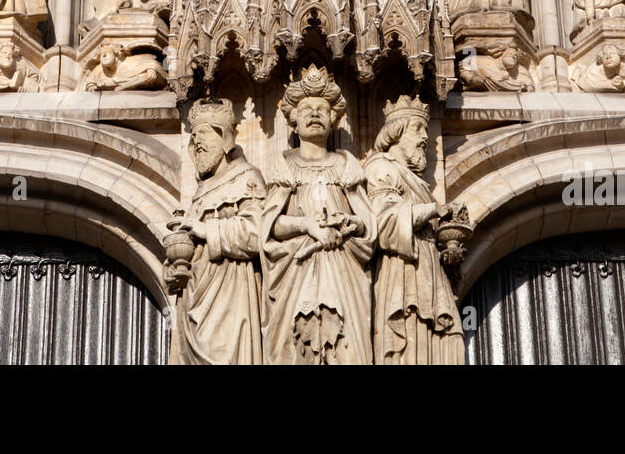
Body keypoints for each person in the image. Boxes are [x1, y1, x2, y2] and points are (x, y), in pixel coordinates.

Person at [260, 64, 375, 364]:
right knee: (298, 342)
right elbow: (272, 226)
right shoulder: (284, 166)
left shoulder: (346, 165)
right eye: (306, 109)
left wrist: (350, 223)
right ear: (293, 121)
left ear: (333, 119)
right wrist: (308, 224)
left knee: (348, 344)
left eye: (322, 110)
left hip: (342, 266)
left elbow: (366, 224)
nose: (314, 114)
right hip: (297, 268)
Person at [365, 95, 465, 364]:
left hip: (426, 264)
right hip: (402, 267)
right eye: (417, 129)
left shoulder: (417, 182)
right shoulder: (381, 168)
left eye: (426, 129)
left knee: (443, 335)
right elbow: (383, 220)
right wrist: (434, 210)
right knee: (412, 329)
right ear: (395, 133)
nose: (425, 137)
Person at [166, 98, 266, 365]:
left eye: (205, 135)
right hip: (194, 297)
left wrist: (206, 229)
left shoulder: (246, 177)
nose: (198, 144)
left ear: (225, 140)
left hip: (232, 292)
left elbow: (257, 233)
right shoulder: (199, 194)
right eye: (194, 139)